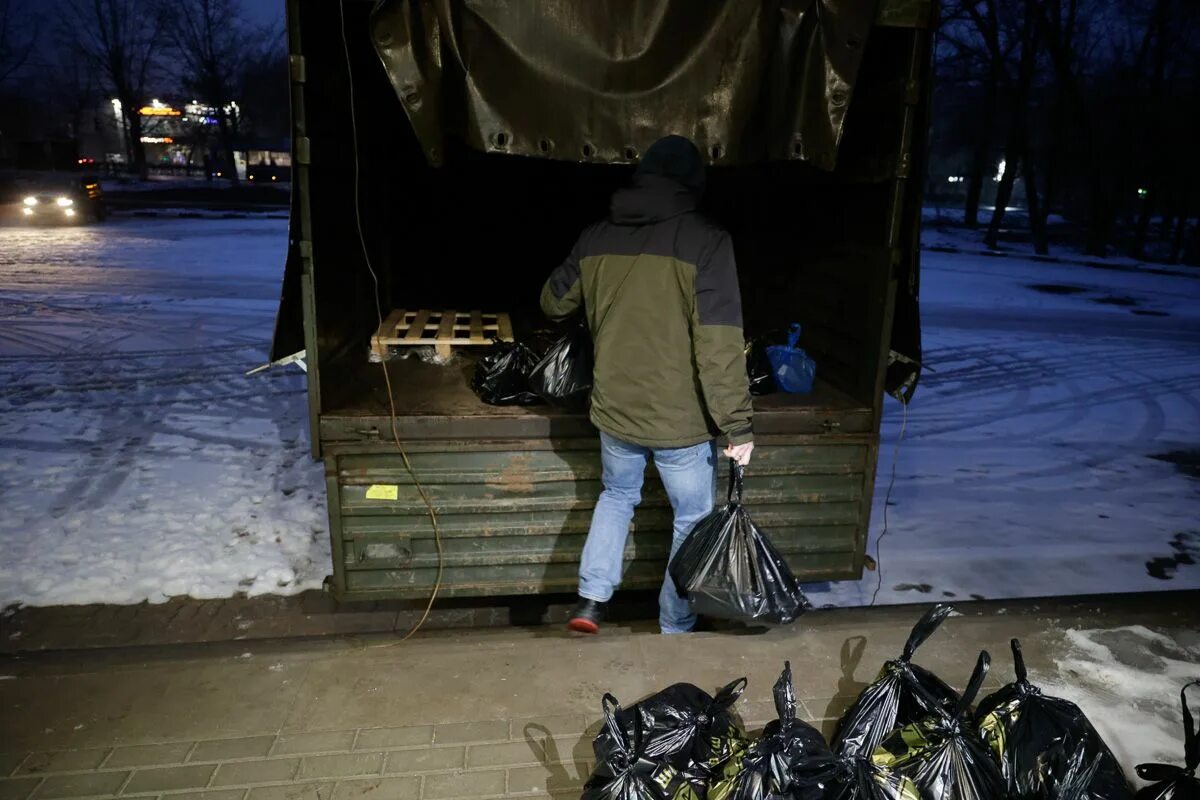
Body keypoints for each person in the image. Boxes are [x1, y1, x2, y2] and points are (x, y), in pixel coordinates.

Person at [539, 134, 753, 635]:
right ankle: (675, 624)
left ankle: (591, 600)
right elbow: (719, 345)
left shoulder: (596, 236)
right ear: (693, 184)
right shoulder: (708, 242)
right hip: (679, 421)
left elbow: (553, 301)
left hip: (615, 410)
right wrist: (736, 425)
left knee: (616, 495)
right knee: (692, 518)